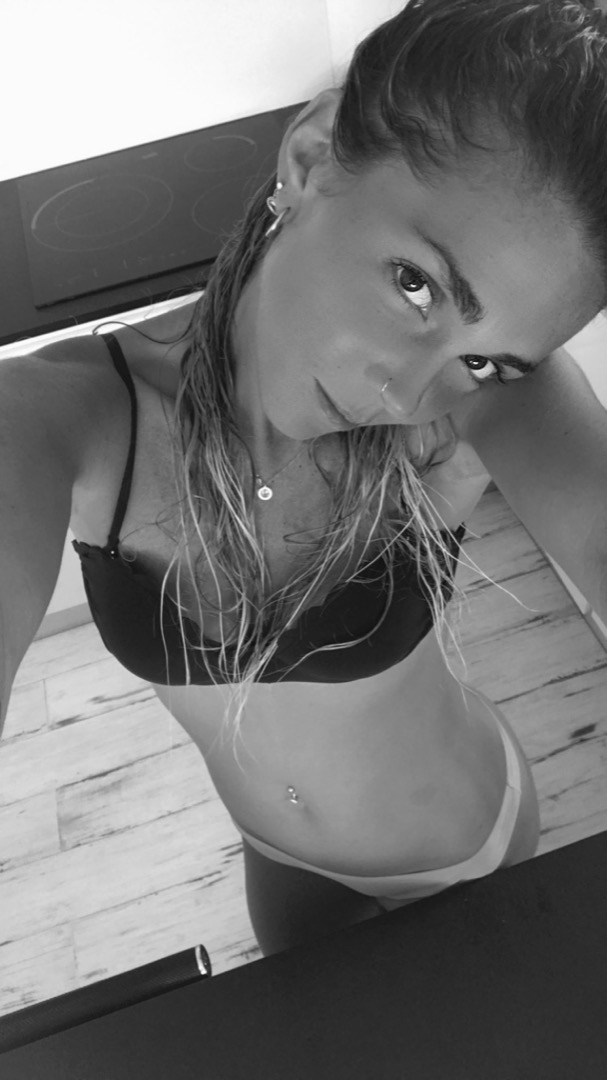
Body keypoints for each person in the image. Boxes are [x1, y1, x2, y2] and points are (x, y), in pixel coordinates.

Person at [2, 0, 607, 958]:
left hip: (464, 849)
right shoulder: (65, 414)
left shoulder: (468, 412)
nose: (403, 394)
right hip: (279, 863)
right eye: (414, 284)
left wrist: (481, 370)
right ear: (314, 156)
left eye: (486, 358)